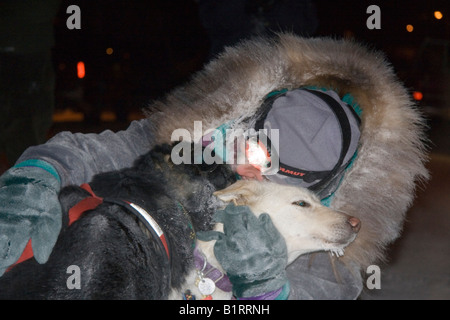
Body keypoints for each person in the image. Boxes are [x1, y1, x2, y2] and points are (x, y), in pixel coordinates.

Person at [0, 34, 428, 299]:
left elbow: (321, 292)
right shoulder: (206, 137)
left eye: (287, 181)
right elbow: (100, 150)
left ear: (329, 185)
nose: (260, 177)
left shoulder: (331, 241)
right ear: (253, 126)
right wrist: (40, 174)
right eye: (265, 156)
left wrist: (265, 289)